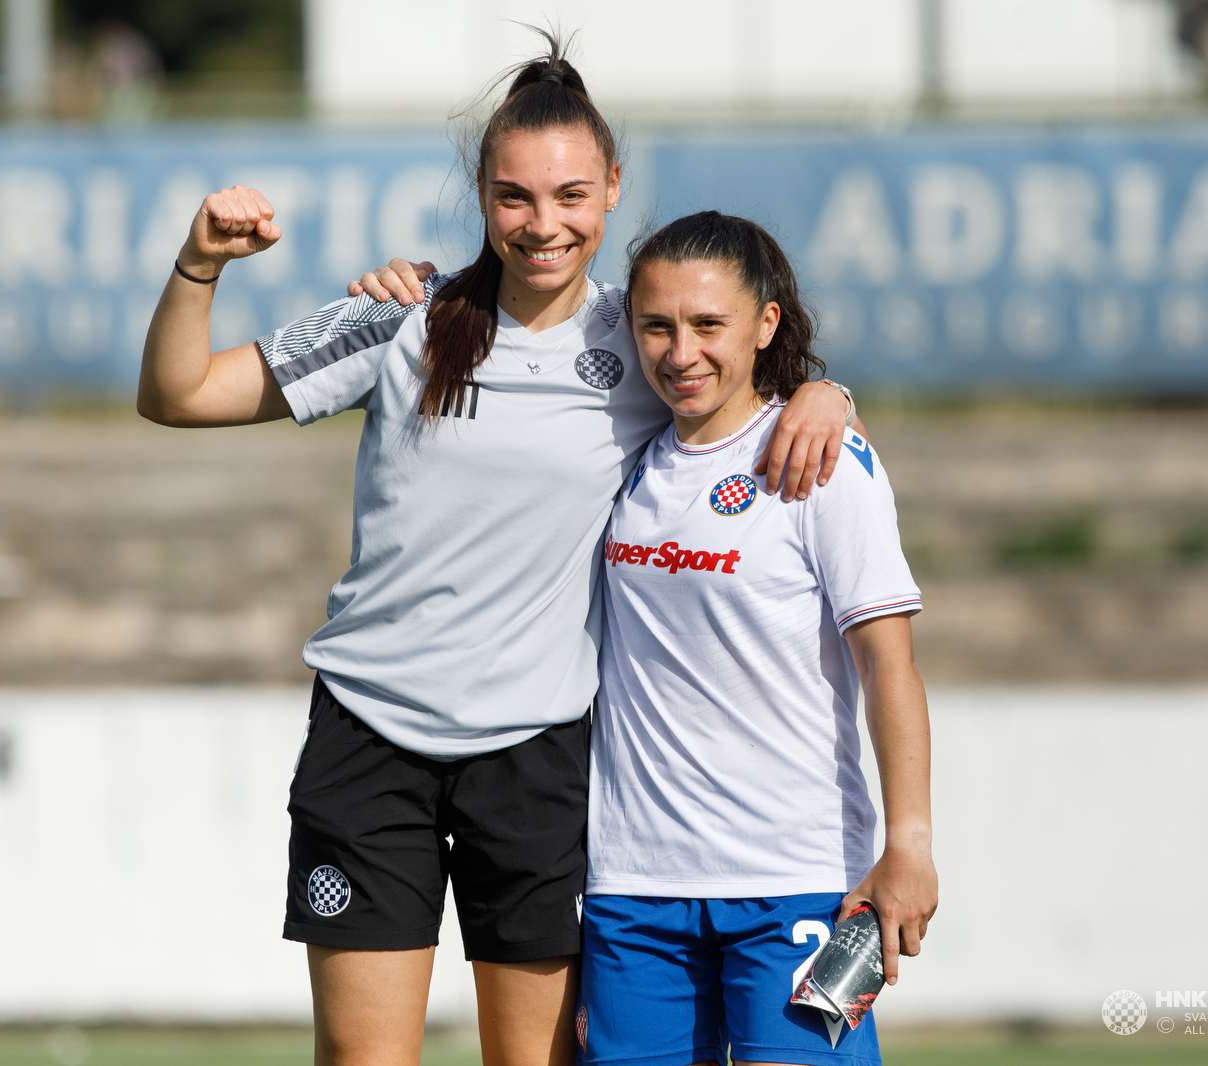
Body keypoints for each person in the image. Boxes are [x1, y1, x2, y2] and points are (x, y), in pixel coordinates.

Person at [134, 35, 857, 1066]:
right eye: (514, 197)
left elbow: (752, 388)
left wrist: (828, 393)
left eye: (570, 194)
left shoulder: (645, 344)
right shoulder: (402, 321)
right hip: (368, 741)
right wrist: (199, 263)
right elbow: (178, 395)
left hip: (540, 756)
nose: (542, 223)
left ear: (612, 188)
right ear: (481, 194)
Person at [574, 212, 937, 1066]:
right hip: (634, 886)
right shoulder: (622, 450)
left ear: (765, 324)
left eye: (709, 325)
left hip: (795, 880)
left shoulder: (822, 460)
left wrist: (910, 844)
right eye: (656, 326)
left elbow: (890, 665)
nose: (680, 352)